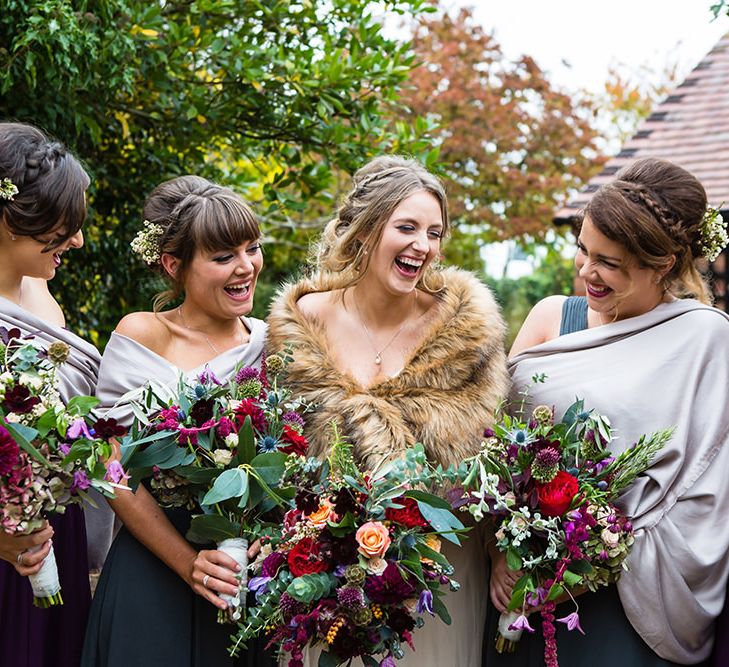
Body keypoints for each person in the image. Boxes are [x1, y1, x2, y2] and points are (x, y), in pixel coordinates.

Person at [484, 157, 729, 666]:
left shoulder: (706, 339)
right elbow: (491, 442)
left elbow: (708, 484)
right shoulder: (553, 316)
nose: (585, 271)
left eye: (609, 263)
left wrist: (597, 545)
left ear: (661, 265)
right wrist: (498, 551)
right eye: (582, 250)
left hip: (626, 604)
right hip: (521, 586)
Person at [266, 155, 509, 666]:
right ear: (367, 228)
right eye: (407, 227)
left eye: (435, 232)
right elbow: (278, 454)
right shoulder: (301, 323)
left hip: (438, 576)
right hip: (330, 579)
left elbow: (491, 465)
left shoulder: (467, 332)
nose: (423, 246)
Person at [80, 176, 274, 667]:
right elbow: (112, 467)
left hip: (246, 573)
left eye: (252, 248)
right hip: (154, 567)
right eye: (223, 255)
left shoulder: (275, 342)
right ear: (174, 265)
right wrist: (189, 564)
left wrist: (270, 535)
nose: (246, 266)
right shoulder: (143, 333)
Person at [0, 122, 101, 667]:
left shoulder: (43, 296)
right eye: (64, 226)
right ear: (13, 220)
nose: (78, 241)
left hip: (51, 530)